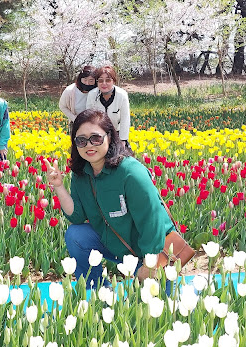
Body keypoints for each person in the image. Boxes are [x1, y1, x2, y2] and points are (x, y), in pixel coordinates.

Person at [45, 109, 174, 288]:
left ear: (110, 137)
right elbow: (76, 217)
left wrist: (149, 264)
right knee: (76, 235)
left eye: (95, 138)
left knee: (156, 309)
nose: (89, 145)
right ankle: (96, 289)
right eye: (81, 140)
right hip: (116, 245)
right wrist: (59, 186)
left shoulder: (130, 172)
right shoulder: (82, 174)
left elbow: (152, 220)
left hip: (153, 252)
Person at [86, 66, 130, 146]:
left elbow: (125, 119)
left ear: (114, 81)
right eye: (100, 80)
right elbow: (89, 118)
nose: (104, 83)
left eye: (108, 80)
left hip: (117, 134)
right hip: (98, 135)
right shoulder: (92, 95)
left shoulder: (122, 95)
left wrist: (122, 140)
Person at [59, 66, 96, 132]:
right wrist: (75, 119)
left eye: (91, 81)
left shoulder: (97, 92)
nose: (87, 83)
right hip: (75, 124)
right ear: (80, 79)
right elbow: (62, 106)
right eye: (85, 80)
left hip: (94, 125)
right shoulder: (70, 91)